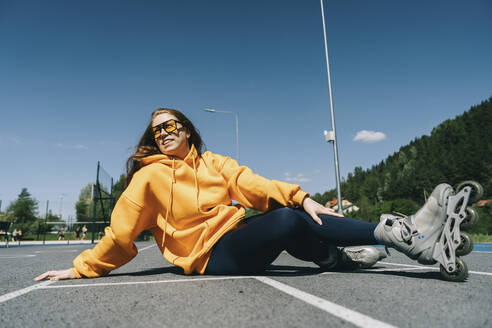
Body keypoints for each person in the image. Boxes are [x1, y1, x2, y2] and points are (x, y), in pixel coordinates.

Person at [34, 108, 463, 282]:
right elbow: (121, 232)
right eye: (156, 130)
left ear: (187, 131)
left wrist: (300, 195)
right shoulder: (147, 179)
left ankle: (352, 254)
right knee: (288, 222)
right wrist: (82, 268)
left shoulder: (215, 163)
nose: (163, 133)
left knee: (292, 215)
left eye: (171, 126)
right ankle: (397, 233)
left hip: (237, 233)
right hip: (208, 259)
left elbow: (252, 185)